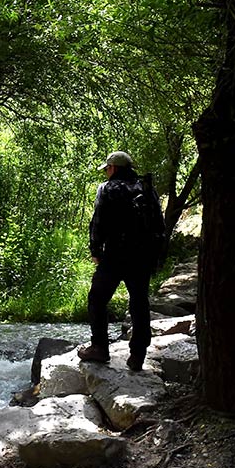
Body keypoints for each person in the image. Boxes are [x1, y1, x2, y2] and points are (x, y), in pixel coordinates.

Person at [78, 151, 155, 371]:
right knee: (139, 302)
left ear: (113, 168)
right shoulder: (146, 188)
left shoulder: (107, 189)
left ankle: (100, 348)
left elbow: (98, 222)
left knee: (97, 299)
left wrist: (95, 250)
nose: (106, 172)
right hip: (141, 256)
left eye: (107, 168)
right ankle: (138, 356)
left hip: (114, 255)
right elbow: (158, 224)